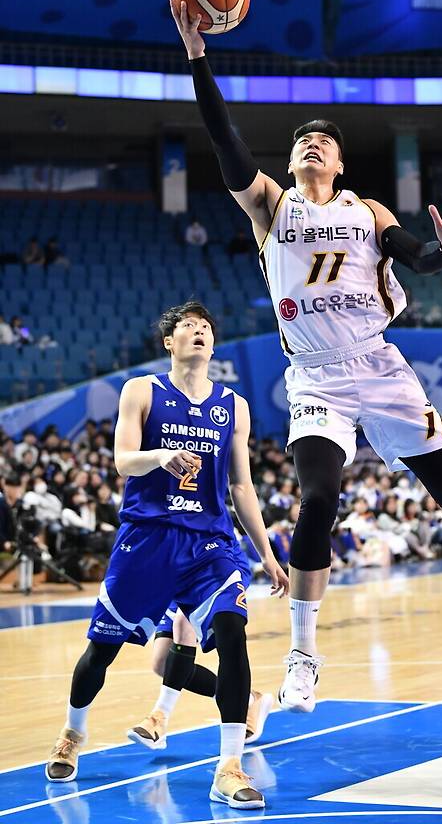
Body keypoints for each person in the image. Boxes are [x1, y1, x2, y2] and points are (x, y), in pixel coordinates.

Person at [172, 0, 442, 715]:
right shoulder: (271, 206)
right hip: (316, 378)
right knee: (318, 501)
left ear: (340, 162)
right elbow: (223, 137)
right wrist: (198, 56)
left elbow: (416, 257)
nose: (312, 146)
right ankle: (303, 655)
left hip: (378, 366)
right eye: (303, 142)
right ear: (290, 161)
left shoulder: (367, 212)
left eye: (323, 143)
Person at [45, 300, 288, 811]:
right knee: (101, 650)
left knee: (232, 632)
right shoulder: (141, 391)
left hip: (210, 544)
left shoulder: (234, 406)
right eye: (187, 327)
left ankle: (229, 766)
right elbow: (122, 461)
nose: (198, 332)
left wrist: (266, 553)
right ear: (169, 342)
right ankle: (72, 732)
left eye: (205, 328)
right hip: (148, 538)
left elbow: (241, 486)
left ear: (213, 345)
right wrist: (161, 456)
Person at [128, 603, 273, 749]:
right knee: (163, 664)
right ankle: (247, 700)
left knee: (183, 624)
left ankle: (158, 718)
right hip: (172, 592)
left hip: (204, 590)